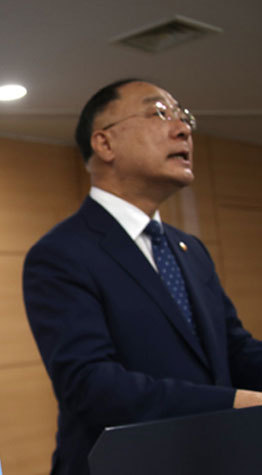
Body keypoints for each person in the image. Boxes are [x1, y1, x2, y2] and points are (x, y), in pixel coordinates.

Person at [22, 79, 262, 475]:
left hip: (211, 457)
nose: (183, 129)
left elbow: (234, 349)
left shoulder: (190, 249)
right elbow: (91, 385)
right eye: (159, 113)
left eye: (184, 117)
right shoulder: (60, 254)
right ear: (105, 144)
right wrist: (236, 403)